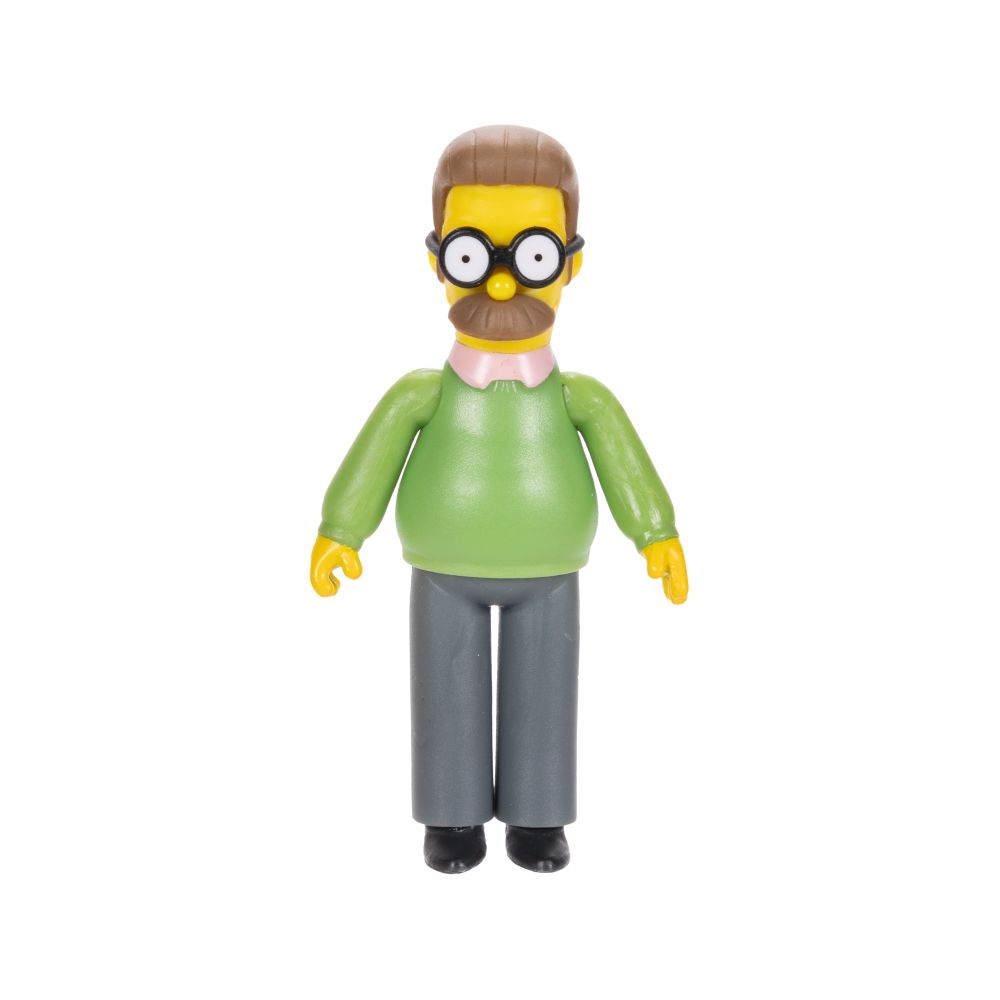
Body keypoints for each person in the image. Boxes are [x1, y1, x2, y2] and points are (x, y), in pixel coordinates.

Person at [310, 125, 688, 873]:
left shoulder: (581, 397)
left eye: (534, 256)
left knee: (545, 695)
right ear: (438, 260)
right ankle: (450, 818)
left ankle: (537, 817)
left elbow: (626, 463)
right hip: (442, 571)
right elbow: (373, 458)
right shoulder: (421, 393)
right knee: (444, 689)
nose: (505, 286)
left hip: (549, 573)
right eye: (473, 257)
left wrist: (657, 533)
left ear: (570, 264)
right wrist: (340, 530)